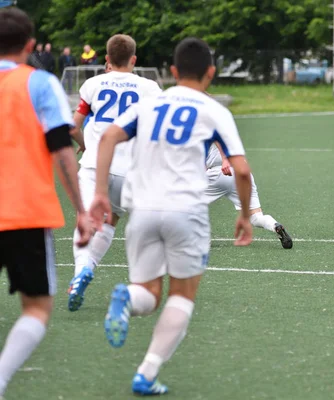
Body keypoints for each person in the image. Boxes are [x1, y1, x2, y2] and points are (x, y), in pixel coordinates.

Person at [88, 37, 253, 396]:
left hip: (142, 210)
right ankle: (146, 373)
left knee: (147, 293)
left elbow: (107, 139)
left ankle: (126, 299)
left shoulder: (151, 102)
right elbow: (240, 169)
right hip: (186, 212)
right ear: (211, 72)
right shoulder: (214, 111)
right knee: (181, 295)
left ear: (173, 71)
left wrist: (100, 193)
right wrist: (243, 214)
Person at [0, 8, 92, 398]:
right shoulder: (39, 83)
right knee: (36, 309)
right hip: (24, 211)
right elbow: (61, 148)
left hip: (23, 212)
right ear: (32, 46)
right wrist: (83, 211)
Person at [66, 34, 162, 312]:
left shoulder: (92, 84)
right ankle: (91, 270)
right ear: (134, 60)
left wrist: (85, 145)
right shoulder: (150, 87)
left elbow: (73, 126)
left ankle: (81, 270)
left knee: (85, 220)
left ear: (106, 59)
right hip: (129, 170)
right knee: (110, 222)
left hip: (96, 164)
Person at [205, 143, 292, 249]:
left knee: (189, 204)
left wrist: (224, 160)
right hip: (242, 171)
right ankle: (275, 226)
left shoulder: (199, 131)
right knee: (256, 218)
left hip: (220, 171)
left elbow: (217, 138)